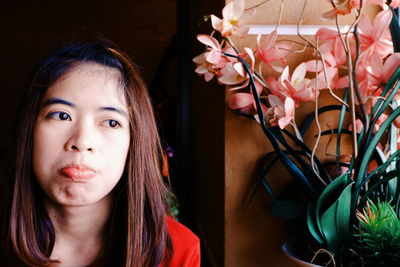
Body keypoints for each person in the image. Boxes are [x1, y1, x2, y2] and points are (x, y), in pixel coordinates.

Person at [0, 40, 200, 266]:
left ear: (134, 142)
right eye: (62, 115)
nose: (82, 141)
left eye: (111, 122)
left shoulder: (176, 250)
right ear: (29, 130)